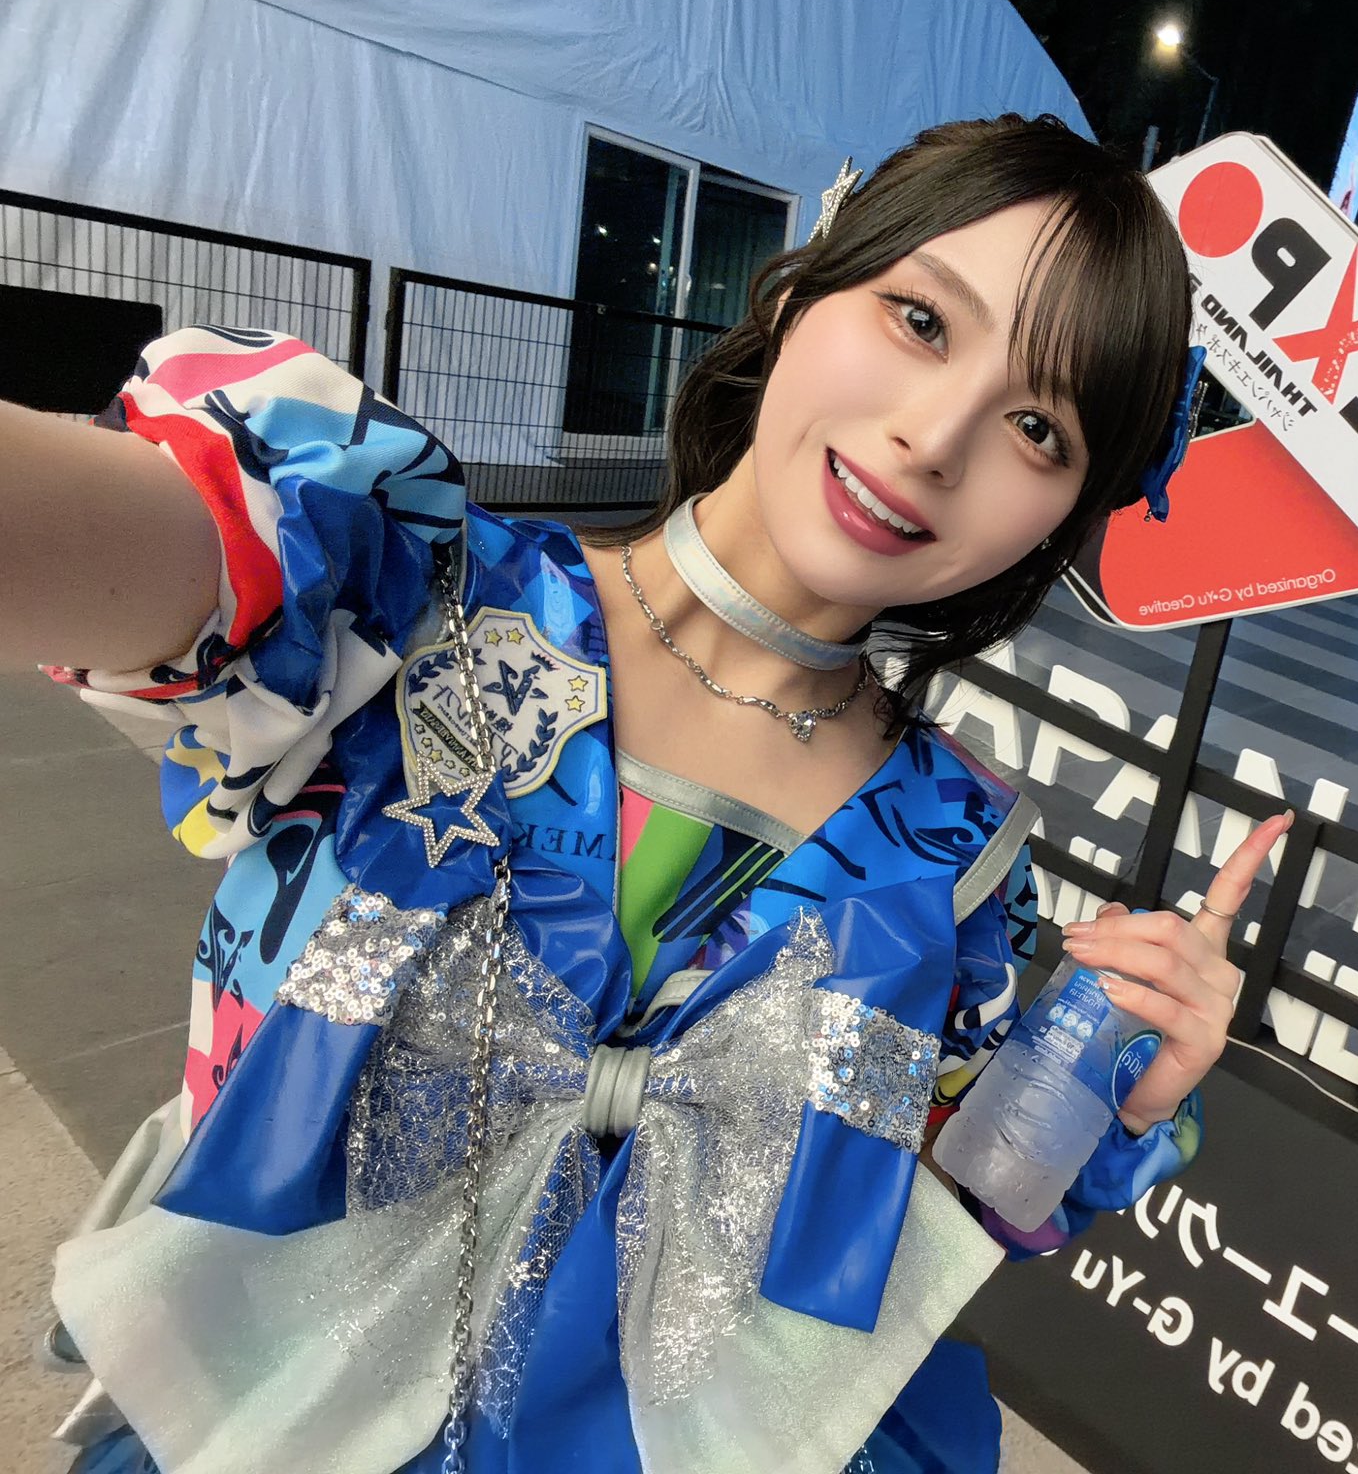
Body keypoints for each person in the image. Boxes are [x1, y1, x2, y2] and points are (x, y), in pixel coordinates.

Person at [4, 112, 1287, 1474]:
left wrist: (1110, 1094)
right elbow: (115, 539)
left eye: (1039, 426)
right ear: (795, 295)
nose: (933, 436)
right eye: (920, 320)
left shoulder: (956, 853)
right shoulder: (398, 594)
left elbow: (944, 1209)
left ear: (1063, 512)